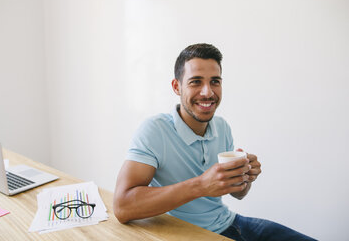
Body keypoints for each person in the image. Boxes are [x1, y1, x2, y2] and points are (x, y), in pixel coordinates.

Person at [113, 43, 316, 241]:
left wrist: (244, 177)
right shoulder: (154, 130)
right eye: (196, 82)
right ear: (177, 87)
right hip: (185, 233)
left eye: (215, 81)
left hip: (229, 223)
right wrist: (201, 185)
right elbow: (122, 207)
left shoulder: (222, 127)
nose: (208, 92)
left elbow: (238, 194)